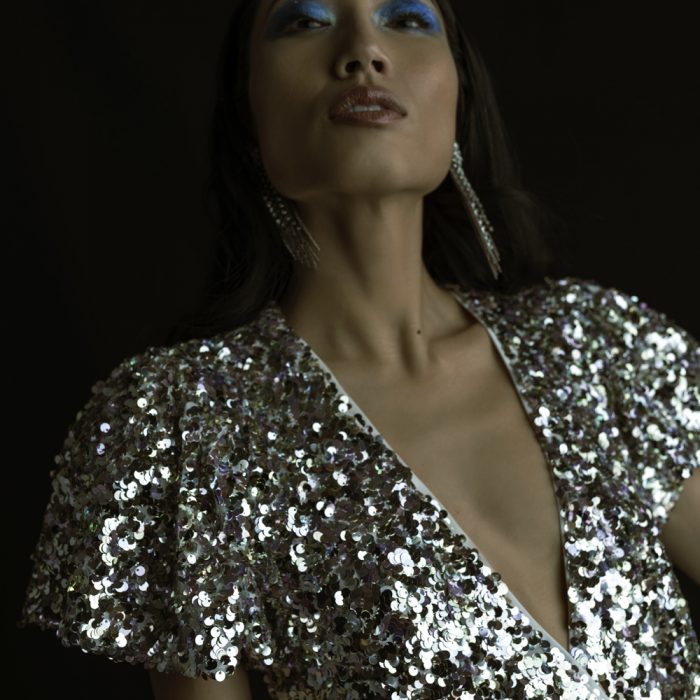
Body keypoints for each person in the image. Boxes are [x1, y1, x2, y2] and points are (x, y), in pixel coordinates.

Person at [17, 1, 700, 698]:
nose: (363, 51)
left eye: (407, 18)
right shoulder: (184, 424)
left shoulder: (600, 347)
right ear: (248, 114)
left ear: (458, 97)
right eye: (305, 21)